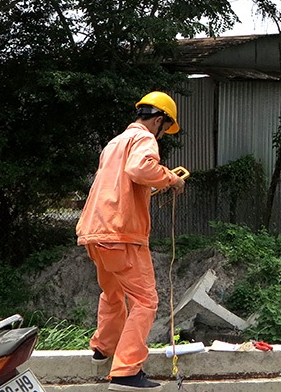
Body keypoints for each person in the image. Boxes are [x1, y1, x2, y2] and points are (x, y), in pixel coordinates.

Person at [76, 91, 187, 391]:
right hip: (121, 235)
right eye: (165, 127)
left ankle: (103, 349)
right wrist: (170, 179)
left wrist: (154, 182)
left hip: (95, 231)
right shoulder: (145, 138)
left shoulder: (115, 142)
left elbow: (122, 183)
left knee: (112, 293)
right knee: (145, 301)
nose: (163, 134)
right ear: (160, 120)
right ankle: (125, 372)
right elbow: (139, 169)